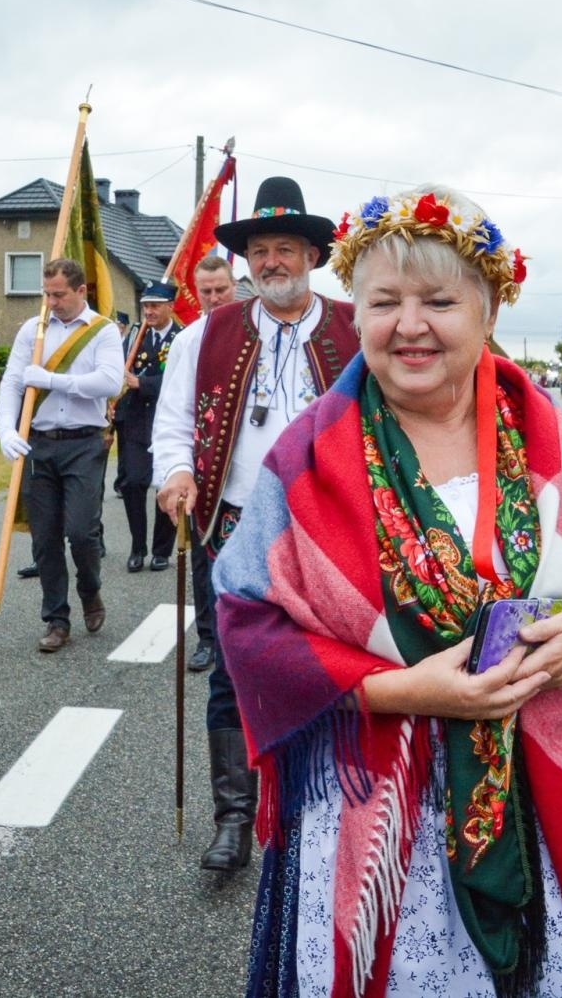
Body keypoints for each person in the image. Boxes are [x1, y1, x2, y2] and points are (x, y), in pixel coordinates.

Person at [213, 186, 562, 996]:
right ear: (355, 315)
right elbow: (247, 625)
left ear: (489, 309)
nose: (411, 324)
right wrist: (403, 690)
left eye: (439, 300)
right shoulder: (308, 454)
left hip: (538, 806)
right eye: (384, 301)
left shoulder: (547, 434)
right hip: (378, 826)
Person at [154, 177, 360, 871]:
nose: (271, 262)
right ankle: (234, 819)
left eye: (286, 248)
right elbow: (174, 421)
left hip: (332, 530)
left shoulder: (356, 328)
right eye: (260, 251)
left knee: (331, 666)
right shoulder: (205, 333)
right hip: (233, 524)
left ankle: (318, 807)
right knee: (233, 673)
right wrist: (175, 473)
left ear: (312, 255)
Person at [0, 257, 123, 654]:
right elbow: (12, 382)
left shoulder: (102, 332)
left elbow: (109, 381)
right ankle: (56, 618)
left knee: (82, 532)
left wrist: (52, 380)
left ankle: (90, 589)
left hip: (85, 442)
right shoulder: (31, 331)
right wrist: (4, 428)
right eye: (46, 294)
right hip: (41, 442)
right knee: (45, 537)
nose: (51, 302)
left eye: (59, 294)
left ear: (81, 291)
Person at [164, 254, 241, 674]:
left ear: (234, 287)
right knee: (203, 559)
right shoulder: (187, 341)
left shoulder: (257, 333)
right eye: (206, 292)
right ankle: (209, 639)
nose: (214, 298)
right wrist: (177, 468)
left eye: (221, 290)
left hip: (249, 471)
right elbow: (174, 411)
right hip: (205, 472)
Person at [114, 281, 182, 573]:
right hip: (135, 422)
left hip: (166, 420)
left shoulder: (181, 339)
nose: (149, 311)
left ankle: (161, 551)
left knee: (165, 486)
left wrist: (142, 383)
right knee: (132, 483)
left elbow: (180, 380)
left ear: (170, 306)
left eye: (155, 305)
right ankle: (137, 547)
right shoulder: (133, 339)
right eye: (145, 306)